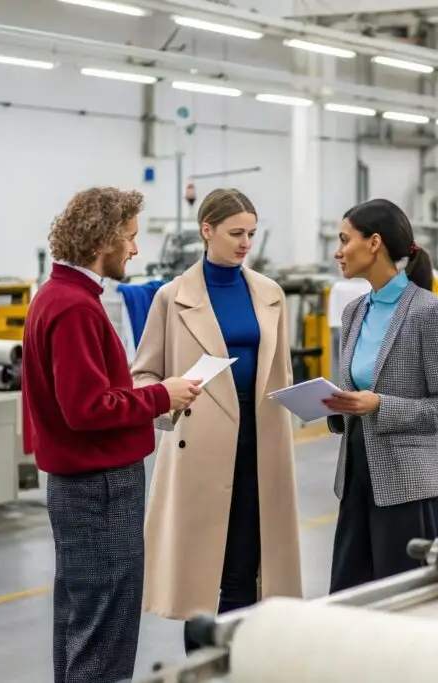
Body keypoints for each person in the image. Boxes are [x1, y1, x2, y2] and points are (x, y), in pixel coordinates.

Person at [22, 187, 203, 683]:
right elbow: (87, 409)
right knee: (106, 627)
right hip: (100, 487)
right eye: (129, 238)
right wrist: (163, 395)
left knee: (81, 621)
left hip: (78, 485)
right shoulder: (76, 308)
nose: (135, 250)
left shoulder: (55, 296)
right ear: (103, 240)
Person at [130, 187, 303, 653]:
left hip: (261, 442)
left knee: (248, 566)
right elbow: (143, 372)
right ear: (206, 231)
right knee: (201, 575)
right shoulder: (172, 297)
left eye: (251, 233)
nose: (246, 242)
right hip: (201, 444)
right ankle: (201, 665)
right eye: (235, 233)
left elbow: (280, 371)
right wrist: (170, 398)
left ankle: (238, 662)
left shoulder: (269, 293)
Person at [322, 198, 438, 593]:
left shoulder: (428, 312)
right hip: (354, 478)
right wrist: (335, 406)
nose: (338, 251)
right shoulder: (354, 311)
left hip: (406, 485)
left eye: (344, 239)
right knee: (348, 597)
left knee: (400, 599)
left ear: (374, 243)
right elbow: (352, 390)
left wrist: (380, 404)